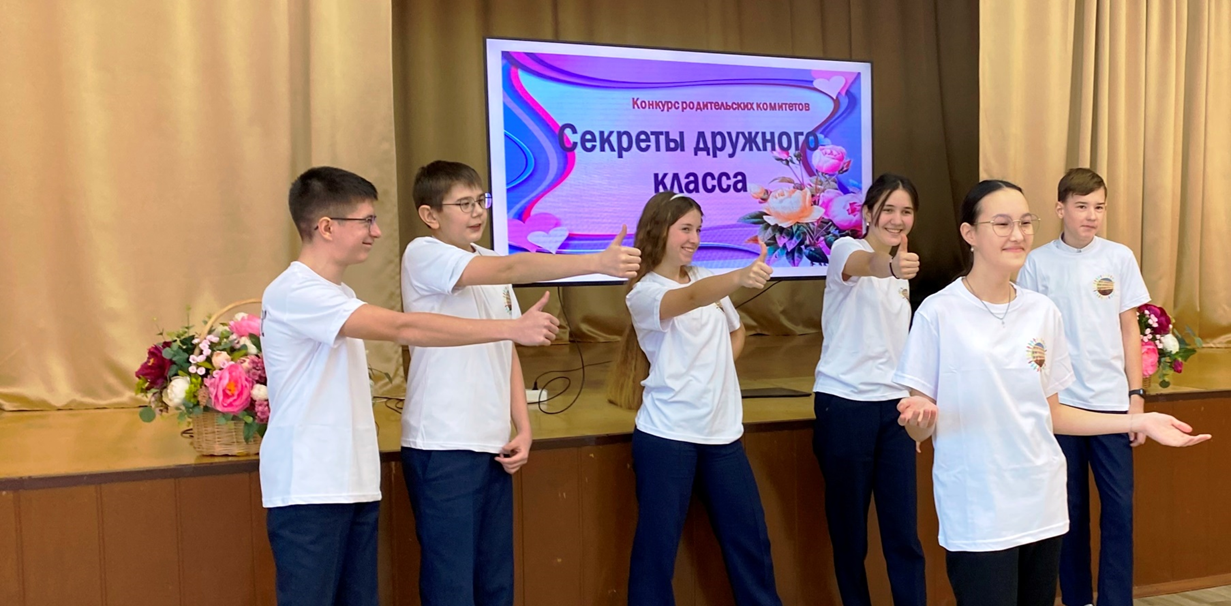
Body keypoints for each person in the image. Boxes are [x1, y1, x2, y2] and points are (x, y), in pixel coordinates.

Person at [893, 179, 1210, 606]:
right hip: (979, 508)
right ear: (969, 234)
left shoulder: (1041, 311)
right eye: (1002, 223)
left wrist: (1140, 419)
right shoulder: (938, 312)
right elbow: (919, 427)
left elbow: (1054, 414)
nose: (1017, 234)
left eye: (1025, 222)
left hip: (1041, 502)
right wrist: (919, 421)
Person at [260, 166, 560, 606]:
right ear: (326, 227)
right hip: (308, 485)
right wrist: (511, 328)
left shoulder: (341, 294)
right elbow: (405, 327)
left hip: (353, 480)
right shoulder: (295, 291)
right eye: (366, 220)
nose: (377, 231)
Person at [399, 160, 640, 606]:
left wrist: (523, 427)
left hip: (494, 444)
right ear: (430, 215)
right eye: (464, 204)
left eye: (481, 201)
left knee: (496, 583)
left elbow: (505, 348)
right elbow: (510, 269)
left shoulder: (491, 259)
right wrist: (595, 262)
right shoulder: (423, 253)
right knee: (451, 584)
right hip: (443, 442)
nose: (478, 212)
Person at [608, 191, 781, 606]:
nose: (694, 238)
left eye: (699, 229)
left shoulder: (704, 276)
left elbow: (736, 331)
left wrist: (714, 367)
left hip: (723, 436)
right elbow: (687, 299)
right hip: (668, 437)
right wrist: (739, 276)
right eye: (685, 228)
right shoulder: (644, 292)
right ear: (659, 231)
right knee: (656, 553)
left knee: (751, 544)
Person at [1016, 168, 1150, 606]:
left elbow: (1129, 329)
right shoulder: (1037, 262)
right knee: (1069, 514)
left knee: (1119, 511)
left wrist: (1135, 398)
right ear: (1060, 209)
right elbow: (1029, 336)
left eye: (1099, 207)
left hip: (1112, 407)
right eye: (1081, 206)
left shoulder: (1119, 257)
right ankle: (1076, 598)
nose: (1091, 216)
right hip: (1062, 409)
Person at [812, 173, 926, 606]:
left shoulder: (903, 270)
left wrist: (915, 404)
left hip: (894, 410)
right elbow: (868, 265)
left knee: (903, 534)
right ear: (866, 213)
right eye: (888, 210)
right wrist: (891, 266)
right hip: (845, 406)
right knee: (850, 536)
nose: (897, 219)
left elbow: (899, 345)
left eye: (906, 211)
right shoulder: (848, 248)